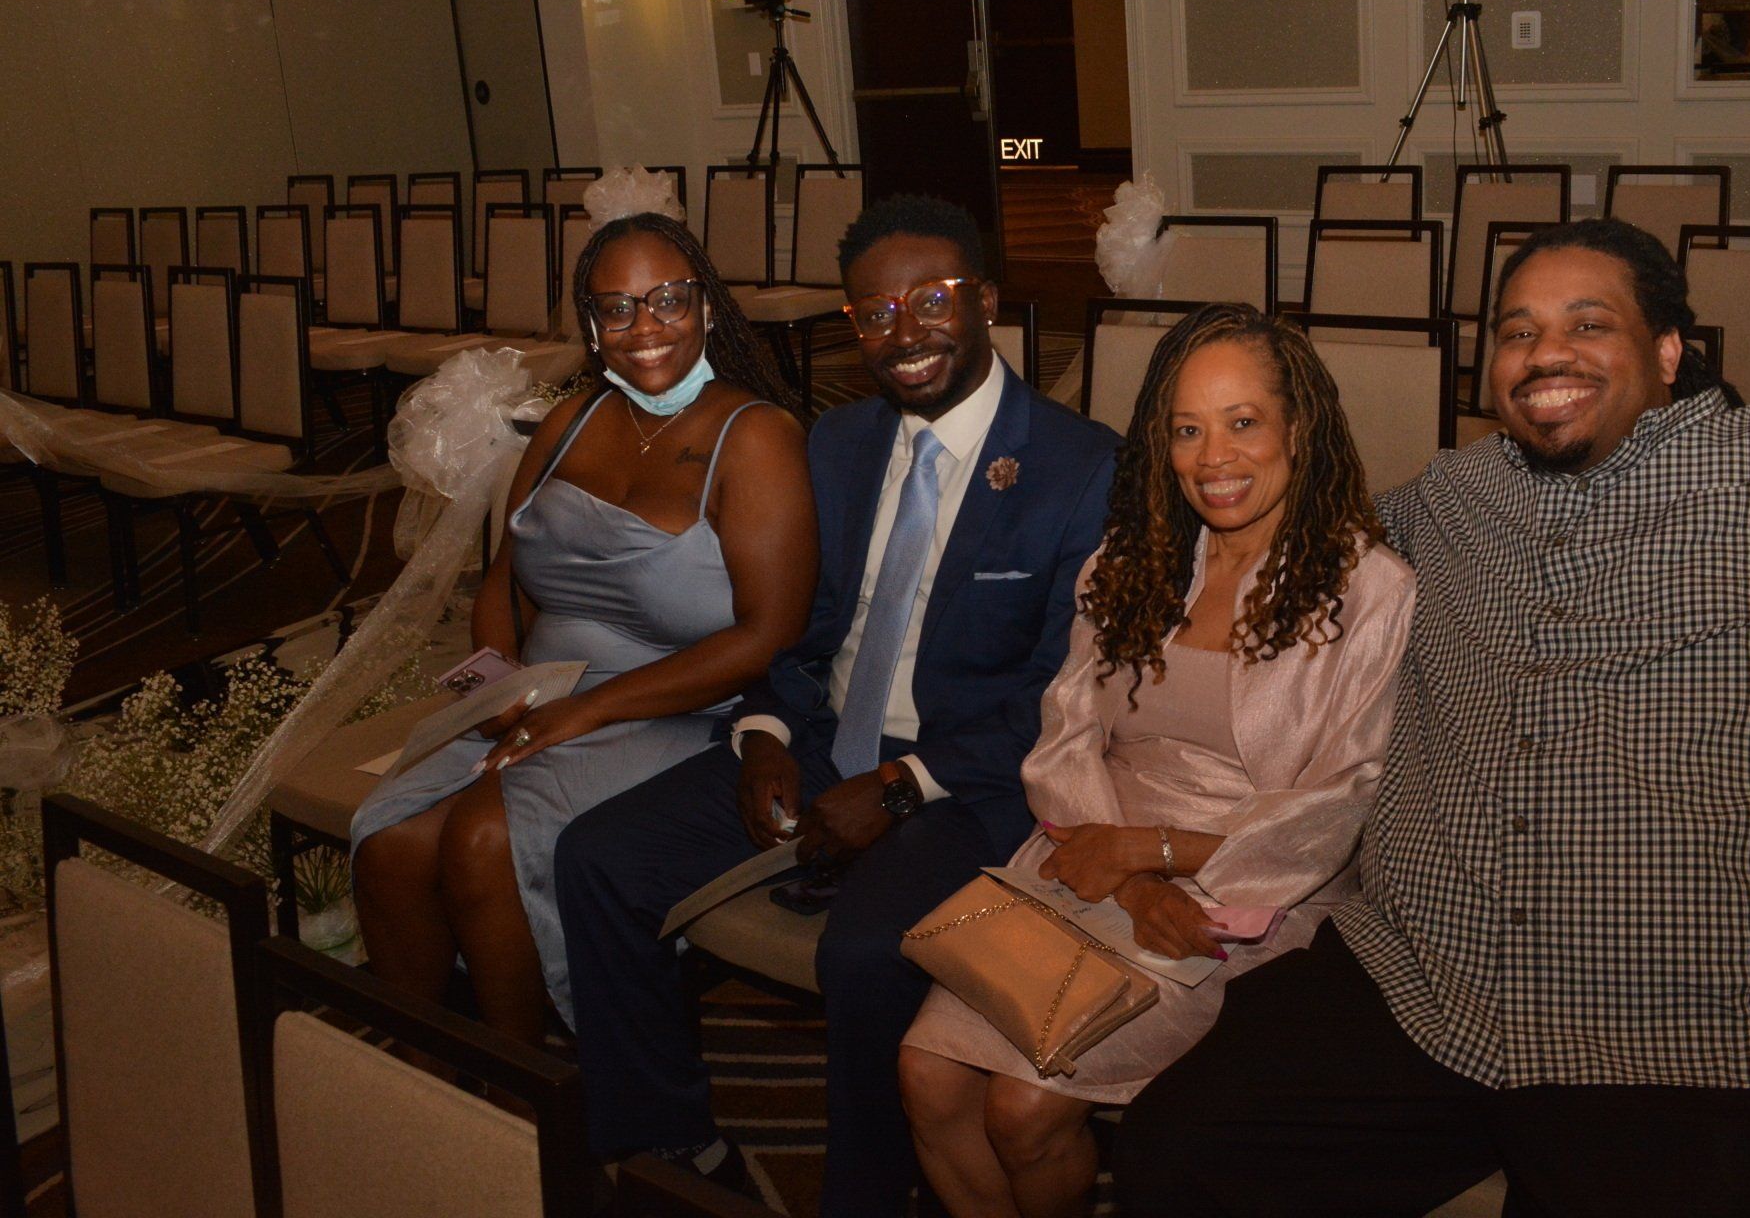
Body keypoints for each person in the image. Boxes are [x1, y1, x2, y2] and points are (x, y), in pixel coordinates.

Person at [1116, 218, 1750, 1216]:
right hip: (1425, 984)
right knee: (1172, 1155)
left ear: (1669, 350)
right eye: (1517, 331)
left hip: (1708, 1019)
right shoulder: (1454, 494)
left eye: (1589, 324)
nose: (1546, 353)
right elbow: (1296, 549)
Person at [553, 195, 1119, 1212]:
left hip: (968, 777)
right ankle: (666, 1139)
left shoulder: (1081, 467)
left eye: (932, 300)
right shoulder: (840, 442)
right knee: (597, 858)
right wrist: (766, 733)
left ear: (987, 300)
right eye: (875, 313)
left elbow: (1064, 692)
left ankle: (868, 1194)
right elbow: (792, 623)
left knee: (863, 951)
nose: (905, 333)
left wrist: (901, 786)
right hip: (822, 738)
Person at [898, 304, 1414, 1218]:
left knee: (1023, 1108)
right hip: (1085, 855)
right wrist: (1127, 876)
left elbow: (1344, 800)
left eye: (1243, 422)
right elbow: (1065, 735)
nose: (1214, 458)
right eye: (1187, 430)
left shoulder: (1369, 589)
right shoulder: (1131, 562)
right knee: (927, 1076)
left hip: (1248, 894)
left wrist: (1153, 857)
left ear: (1299, 427)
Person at [350, 212, 816, 1046]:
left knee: (482, 838)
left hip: (679, 711)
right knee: (390, 844)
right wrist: (497, 678)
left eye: (668, 299)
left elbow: (769, 636)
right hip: (541, 701)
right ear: (592, 327)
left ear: (706, 306)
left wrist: (584, 712)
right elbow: (505, 577)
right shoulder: (569, 422)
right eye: (617, 308)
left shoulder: (755, 437)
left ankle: (529, 1083)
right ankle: (425, 1072)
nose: (646, 326)